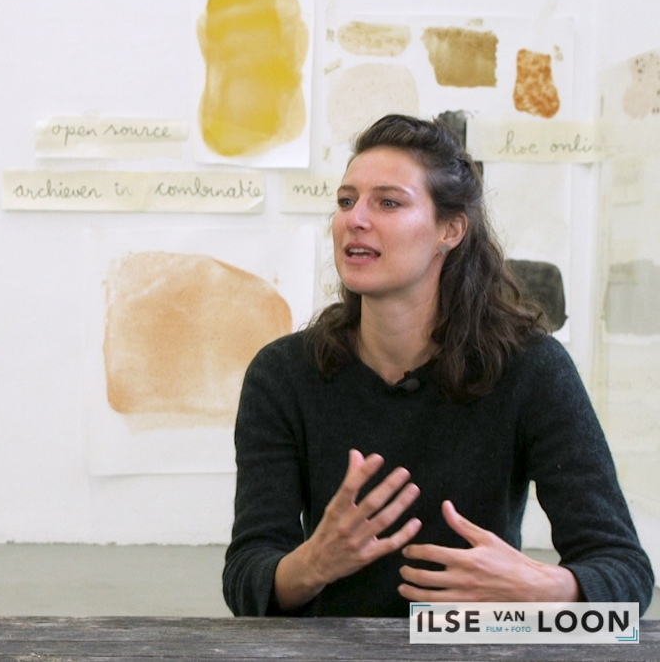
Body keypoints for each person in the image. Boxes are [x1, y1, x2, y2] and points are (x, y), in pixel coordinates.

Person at [223, 114, 653, 617]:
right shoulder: (282, 374)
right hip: (336, 651)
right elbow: (246, 577)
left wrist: (543, 587)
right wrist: (311, 564)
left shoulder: (531, 368)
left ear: (450, 229)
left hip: (475, 647)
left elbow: (625, 572)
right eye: (346, 201)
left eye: (388, 202)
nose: (355, 219)